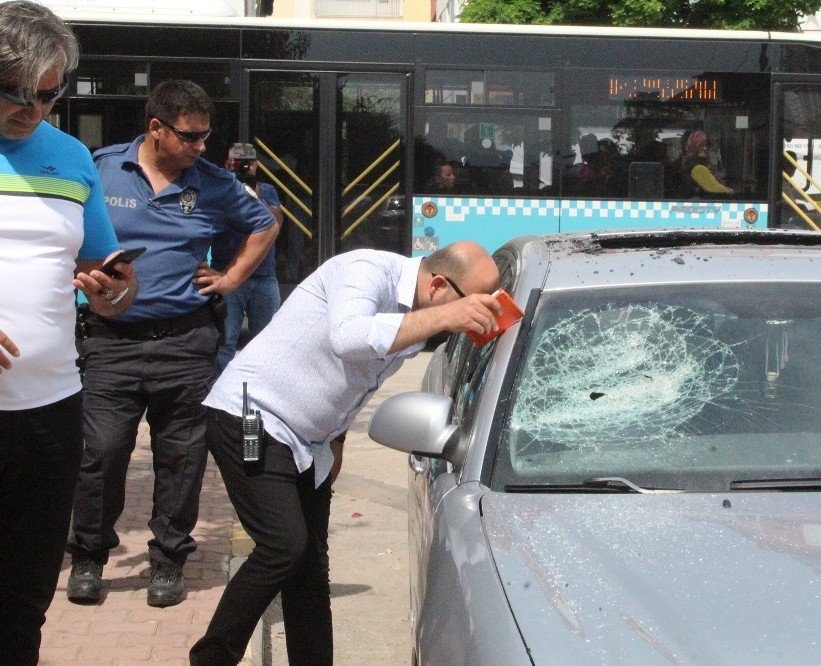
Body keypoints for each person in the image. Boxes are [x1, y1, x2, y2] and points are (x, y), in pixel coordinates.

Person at [188, 241, 501, 665]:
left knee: (310, 571)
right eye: (474, 302)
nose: (473, 315)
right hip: (249, 414)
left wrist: (335, 439)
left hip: (308, 441)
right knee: (284, 546)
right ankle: (211, 657)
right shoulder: (367, 269)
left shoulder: (421, 309)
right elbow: (349, 339)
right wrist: (445, 316)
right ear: (439, 285)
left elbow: (355, 379)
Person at [65, 80, 279, 608]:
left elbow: (266, 224)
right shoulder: (102, 167)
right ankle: (89, 555)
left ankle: (168, 561)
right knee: (102, 453)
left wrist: (230, 279)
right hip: (111, 342)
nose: (200, 147)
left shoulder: (212, 182)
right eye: (189, 136)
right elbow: (66, 230)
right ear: (155, 128)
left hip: (186, 342)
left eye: (205, 136)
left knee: (182, 458)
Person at [0, 2, 138, 661]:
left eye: (49, 95)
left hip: (52, 414)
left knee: (25, 602)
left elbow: (104, 274)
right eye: (17, 93)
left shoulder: (73, 156)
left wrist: (115, 292)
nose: (33, 111)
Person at [213, 143, 282, 374]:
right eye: (238, 162)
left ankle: (260, 394)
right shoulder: (221, 190)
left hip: (263, 278)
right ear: (227, 165)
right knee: (224, 343)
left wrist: (254, 195)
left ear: (256, 166)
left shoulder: (267, 191)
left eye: (249, 162)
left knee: (266, 343)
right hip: (227, 274)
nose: (244, 166)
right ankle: (221, 399)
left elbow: (274, 223)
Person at [681, 129, 734, 196]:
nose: (705, 148)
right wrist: (729, 191)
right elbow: (715, 189)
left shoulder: (704, 164)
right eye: (701, 146)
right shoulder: (697, 168)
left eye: (706, 145)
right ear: (693, 147)